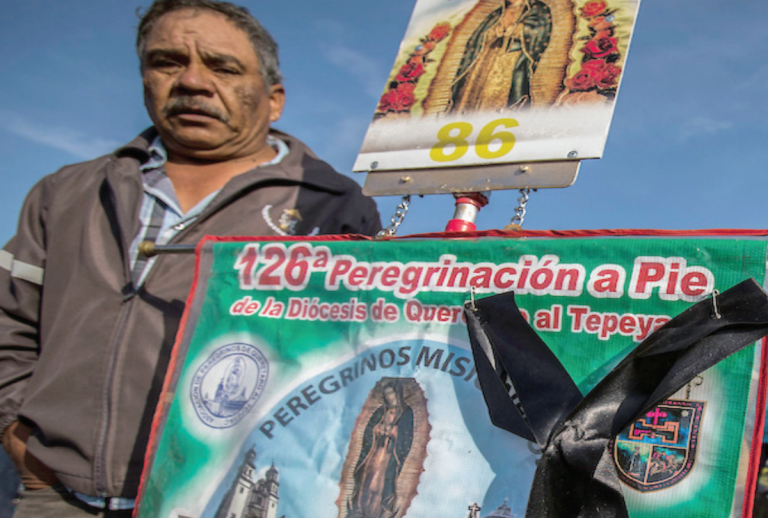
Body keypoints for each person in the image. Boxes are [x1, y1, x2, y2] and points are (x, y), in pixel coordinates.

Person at [0, 0, 381, 516]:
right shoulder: (66, 192)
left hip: (218, 499)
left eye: (223, 67)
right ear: (144, 78)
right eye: (168, 62)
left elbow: (352, 356)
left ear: (274, 99)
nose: (193, 82)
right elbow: (9, 321)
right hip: (57, 497)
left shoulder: (333, 205)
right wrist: (19, 439)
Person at [450, 0, 552, 112]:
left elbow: (539, 31)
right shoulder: (498, 13)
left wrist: (518, 29)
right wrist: (493, 31)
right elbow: (479, 36)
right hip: (487, 57)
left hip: (511, 58)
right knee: (476, 90)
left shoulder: (537, 9)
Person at [349, 381, 413, 518]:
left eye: (391, 393)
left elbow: (407, 436)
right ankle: (360, 509)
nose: (389, 396)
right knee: (366, 479)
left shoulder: (407, 413)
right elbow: (369, 429)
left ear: (397, 394)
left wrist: (395, 431)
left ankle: (380, 511)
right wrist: (377, 429)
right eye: (386, 394)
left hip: (389, 455)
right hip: (375, 453)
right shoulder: (380, 411)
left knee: (379, 483)